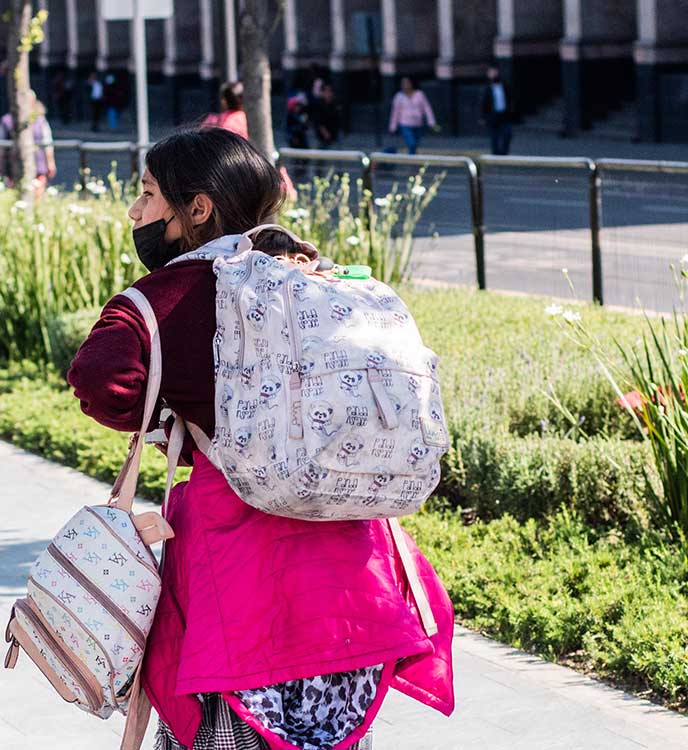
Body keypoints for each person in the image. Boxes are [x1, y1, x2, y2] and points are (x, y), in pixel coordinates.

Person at [68, 127, 455, 750]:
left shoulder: (165, 294)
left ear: (196, 208)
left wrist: (178, 425)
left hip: (236, 553)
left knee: (234, 725)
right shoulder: (315, 276)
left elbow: (99, 380)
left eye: (146, 195)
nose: (135, 211)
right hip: (353, 556)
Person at [0, 91, 58, 191]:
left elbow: (47, 143)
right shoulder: (6, 121)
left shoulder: (40, 120)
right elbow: (0, 147)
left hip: (38, 167)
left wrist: (50, 163)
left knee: (37, 193)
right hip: (12, 167)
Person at [388, 77, 437, 154]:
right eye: (403, 83)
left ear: (411, 83)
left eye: (407, 83)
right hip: (405, 124)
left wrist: (431, 122)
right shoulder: (399, 96)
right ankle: (411, 160)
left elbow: (427, 108)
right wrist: (392, 126)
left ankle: (412, 159)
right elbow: (395, 112)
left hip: (418, 124)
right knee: (412, 143)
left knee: (415, 144)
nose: (405, 85)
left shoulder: (419, 94)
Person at [481, 65, 515, 156]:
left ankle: (504, 153)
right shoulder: (487, 88)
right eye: (490, 73)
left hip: (504, 115)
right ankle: (496, 155)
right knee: (494, 137)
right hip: (493, 116)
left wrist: (510, 110)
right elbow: (484, 104)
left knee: (507, 134)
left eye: (494, 72)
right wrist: (483, 117)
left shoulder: (504, 85)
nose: (492, 74)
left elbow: (511, 98)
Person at [311, 82, 343, 149]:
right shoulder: (318, 104)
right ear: (322, 93)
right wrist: (325, 132)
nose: (328, 94)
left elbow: (337, 118)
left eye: (330, 91)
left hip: (334, 133)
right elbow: (317, 121)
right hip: (321, 135)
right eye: (326, 91)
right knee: (321, 152)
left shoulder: (335, 104)